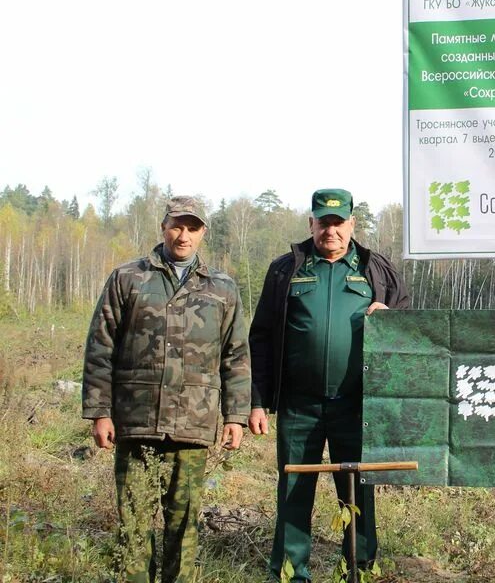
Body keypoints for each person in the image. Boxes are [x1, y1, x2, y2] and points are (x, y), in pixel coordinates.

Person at [82, 195, 250, 583]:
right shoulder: (128, 278)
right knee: (134, 524)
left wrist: (236, 417)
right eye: (177, 225)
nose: (184, 235)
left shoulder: (222, 288)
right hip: (135, 420)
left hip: (192, 425)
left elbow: (236, 355)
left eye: (193, 228)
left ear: (203, 232)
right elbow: (100, 346)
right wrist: (100, 411)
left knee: (184, 527)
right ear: (163, 227)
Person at [248, 188, 410, 582]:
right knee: (293, 493)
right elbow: (262, 337)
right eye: (324, 223)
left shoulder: (377, 269)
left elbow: (408, 324)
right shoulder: (286, 269)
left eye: (339, 223)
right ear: (311, 223)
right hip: (298, 406)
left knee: (357, 492)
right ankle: (290, 572)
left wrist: (389, 317)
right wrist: (256, 402)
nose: (331, 231)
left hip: (355, 406)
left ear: (352, 224)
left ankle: (358, 571)